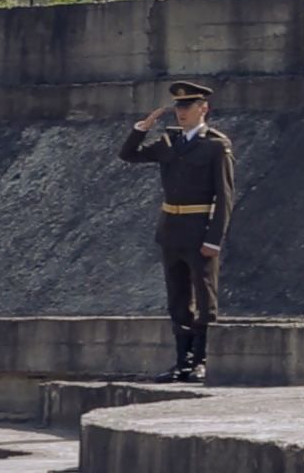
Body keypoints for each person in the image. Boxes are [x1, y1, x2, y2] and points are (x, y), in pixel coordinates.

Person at [118, 81, 235, 383]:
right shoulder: (169, 143)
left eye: (188, 107)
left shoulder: (215, 146)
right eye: (179, 107)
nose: (182, 113)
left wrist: (214, 239)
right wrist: (142, 128)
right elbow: (128, 155)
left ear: (203, 108)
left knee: (205, 300)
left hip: (199, 233)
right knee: (178, 300)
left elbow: (224, 197)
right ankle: (181, 362)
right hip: (171, 232)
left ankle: (201, 360)